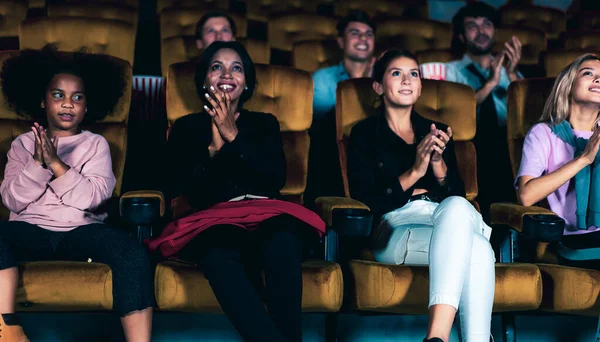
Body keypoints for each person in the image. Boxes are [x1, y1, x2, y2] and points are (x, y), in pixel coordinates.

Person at [146, 41, 325, 342]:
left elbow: (275, 179)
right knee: (216, 253)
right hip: (213, 220)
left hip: (268, 214)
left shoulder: (264, 123)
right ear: (204, 80)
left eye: (236, 68)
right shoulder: (186, 127)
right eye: (217, 67)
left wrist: (233, 136)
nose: (226, 74)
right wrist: (214, 151)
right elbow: (178, 185)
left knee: (283, 242)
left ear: (247, 83)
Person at [0, 48, 154, 341]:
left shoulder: (96, 144)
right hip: (29, 230)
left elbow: (94, 198)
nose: (67, 104)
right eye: (58, 95)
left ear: (86, 107)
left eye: (77, 97)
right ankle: (8, 330)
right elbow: (11, 200)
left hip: (82, 231)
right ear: (42, 102)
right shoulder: (21, 144)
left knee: (132, 253)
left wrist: (56, 164)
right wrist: (36, 163)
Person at [347, 49, 495, 342]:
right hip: (396, 226)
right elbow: (368, 200)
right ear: (378, 87)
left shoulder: (435, 131)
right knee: (477, 248)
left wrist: (438, 161)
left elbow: (459, 195)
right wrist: (416, 171)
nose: (406, 80)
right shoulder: (364, 134)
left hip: (446, 218)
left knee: (458, 210)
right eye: (396, 73)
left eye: (413, 73)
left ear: (420, 86)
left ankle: (436, 339)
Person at [517, 53, 600, 268]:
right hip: (569, 238)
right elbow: (526, 196)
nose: (598, 79)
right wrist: (584, 159)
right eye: (588, 73)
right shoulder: (543, 134)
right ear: (568, 85)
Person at [446, 2, 523, 221]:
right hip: (470, 147)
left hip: (508, 149)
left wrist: (513, 75)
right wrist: (490, 84)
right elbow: (455, 116)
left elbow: (529, 114)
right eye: (472, 26)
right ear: (461, 36)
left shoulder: (511, 72)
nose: (481, 31)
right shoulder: (450, 72)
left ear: (494, 31)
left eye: (486, 24)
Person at [306, 10, 376, 206]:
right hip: (334, 154)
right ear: (340, 41)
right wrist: (359, 84)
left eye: (368, 34)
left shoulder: (384, 78)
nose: (363, 38)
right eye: (355, 33)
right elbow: (320, 123)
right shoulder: (322, 78)